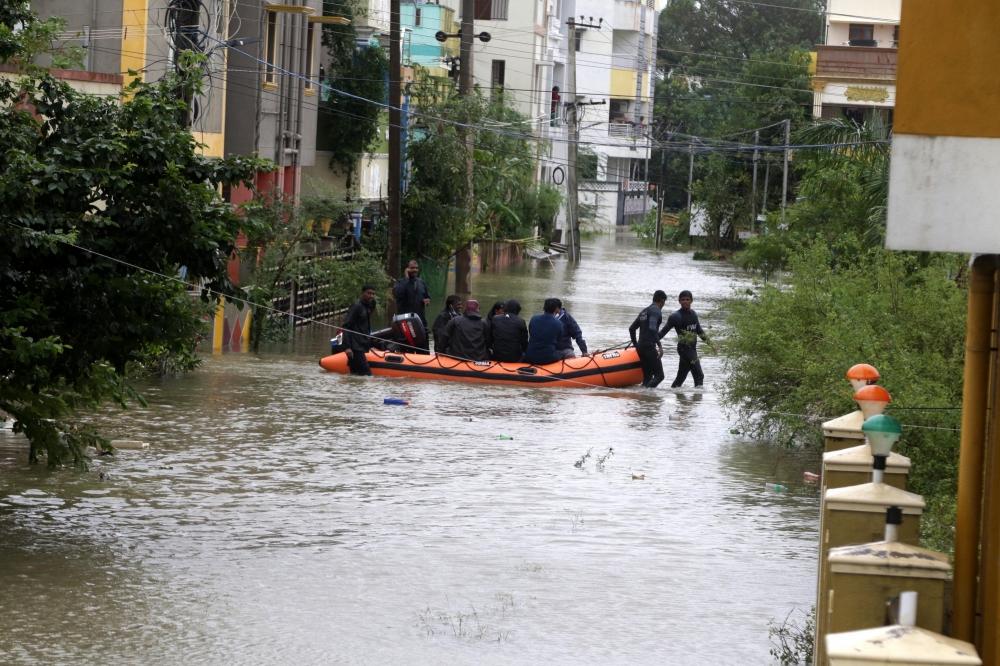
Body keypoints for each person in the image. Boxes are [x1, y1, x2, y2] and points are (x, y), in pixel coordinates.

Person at [659, 290, 711, 388]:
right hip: (684, 349)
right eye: (683, 300)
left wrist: (712, 345)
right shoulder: (675, 316)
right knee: (699, 376)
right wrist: (651, 339)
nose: (685, 301)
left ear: (691, 301)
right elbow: (663, 332)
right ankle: (697, 401)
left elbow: (699, 331)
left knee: (680, 378)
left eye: (687, 299)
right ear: (679, 301)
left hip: (692, 349)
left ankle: (675, 395)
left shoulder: (694, 314)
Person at [629, 290, 667, 388]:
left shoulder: (644, 311)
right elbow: (652, 328)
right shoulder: (656, 311)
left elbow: (632, 328)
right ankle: (645, 394)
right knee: (660, 376)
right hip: (649, 347)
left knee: (647, 377)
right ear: (662, 301)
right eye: (664, 303)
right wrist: (660, 346)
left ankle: (644, 399)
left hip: (641, 348)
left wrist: (636, 345)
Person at [393, 259, 431, 351]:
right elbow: (397, 294)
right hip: (405, 323)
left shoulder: (421, 282)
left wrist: (427, 300)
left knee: (424, 350)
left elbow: (427, 296)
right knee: (406, 349)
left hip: (420, 321)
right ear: (407, 269)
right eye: (412, 268)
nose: (415, 270)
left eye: (416, 268)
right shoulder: (400, 282)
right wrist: (406, 278)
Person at [342, 285, 377, 376]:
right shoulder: (356, 306)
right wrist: (347, 347)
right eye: (369, 293)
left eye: (373, 294)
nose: (371, 296)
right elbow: (346, 326)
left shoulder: (369, 306)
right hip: (355, 347)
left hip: (362, 343)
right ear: (362, 293)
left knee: (354, 374)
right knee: (367, 375)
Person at [524, 298, 571, 365]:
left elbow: (531, 333)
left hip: (530, 356)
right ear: (555, 309)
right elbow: (559, 341)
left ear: (544, 308)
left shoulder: (534, 319)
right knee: (565, 353)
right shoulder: (559, 323)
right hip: (548, 358)